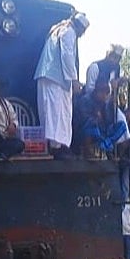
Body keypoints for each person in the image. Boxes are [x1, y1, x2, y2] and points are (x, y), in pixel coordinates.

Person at [34, 12, 89, 159]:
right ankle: (58, 148)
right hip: (56, 79)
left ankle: (54, 146)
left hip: (48, 76)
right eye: (83, 31)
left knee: (50, 113)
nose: (82, 34)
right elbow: (67, 55)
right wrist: (74, 80)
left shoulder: (57, 29)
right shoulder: (68, 31)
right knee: (59, 113)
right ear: (80, 27)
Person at [72, 81, 128, 158]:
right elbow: (83, 119)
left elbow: (107, 121)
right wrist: (96, 116)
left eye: (106, 94)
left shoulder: (104, 103)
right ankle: (89, 150)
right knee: (92, 123)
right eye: (102, 93)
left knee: (121, 126)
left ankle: (105, 145)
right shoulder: (85, 100)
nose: (104, 96)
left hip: (101, 129)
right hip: (85, 130)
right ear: (97, 92)